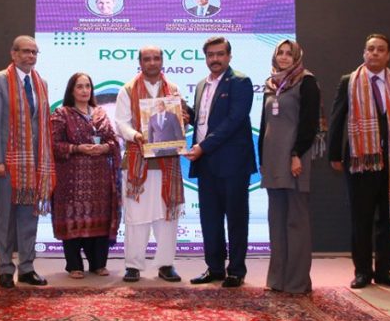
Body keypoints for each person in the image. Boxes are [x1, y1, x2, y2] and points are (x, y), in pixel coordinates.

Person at [328, 33, 390, 289]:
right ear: (364, 53)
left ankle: (385, 271)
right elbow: (337, 119)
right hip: (361, 161)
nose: (374, 53)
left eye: (380, 49)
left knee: (389, 218)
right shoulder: (350, 81)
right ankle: (362, 272)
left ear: (388, 55)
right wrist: (334, 154)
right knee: (361, 219)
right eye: (370, 49)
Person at [187, 36, 257, 288]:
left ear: (229, 56)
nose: (215, 59)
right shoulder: (200, 85)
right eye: (210, 55)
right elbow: (203, 120)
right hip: (206, 163)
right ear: (205, 57)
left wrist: (203, 147)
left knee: (236, 218)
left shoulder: (240, 82)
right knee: (210, 219)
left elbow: (233, 121)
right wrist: (184, 114)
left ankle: (236, 270)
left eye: (220, 54)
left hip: (232, 163)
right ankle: (215, 268)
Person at [114, 47, 187, 283]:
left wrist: (183, 120)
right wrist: (135, 134)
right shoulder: (128, 89)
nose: (152, 63)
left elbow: (179, 123)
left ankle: (166, 264)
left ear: (162, 61)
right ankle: (133, 266)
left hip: (167, 162)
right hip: (138, 162)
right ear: (140, 62)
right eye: (147, 59)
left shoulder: (173, 89)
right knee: (136, 216)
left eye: (156, 58)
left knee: (167, 215)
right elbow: (121, 123)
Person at [0, 36, 55, 288]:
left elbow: (41, 123)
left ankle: (27, 268)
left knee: (30, 217)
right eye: (25, 51)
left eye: (34, 52)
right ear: (13, 54)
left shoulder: (41, 83)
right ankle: (5, 269)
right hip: (7, 162)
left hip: (34, 163)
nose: (30, 56)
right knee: (6, 218)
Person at [258, 39, 320, 294]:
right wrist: (262, 159)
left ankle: (297, 283)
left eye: (289, 53)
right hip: (273, 160)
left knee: (296, 221)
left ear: (297, 57)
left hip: (294, 159)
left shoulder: (306, 81)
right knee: (276, 221)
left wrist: (296, 154)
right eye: (280, 53)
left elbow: (309, 123)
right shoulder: (270, 84)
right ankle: (277, 280)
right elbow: (264, 125)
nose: (284, 57)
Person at [50, 73, 121, 278]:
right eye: (79, 86)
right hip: (72, 180)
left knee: (100, 219)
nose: (84, 90)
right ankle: (74, 265)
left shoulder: (100, 113)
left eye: (87, 86)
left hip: (100, 179)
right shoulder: (61, 114)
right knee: (73, 218)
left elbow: (113, 141)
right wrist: (77, 148)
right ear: (71, 90)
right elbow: (54, 145)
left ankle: (98, 264)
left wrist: (104, 148)